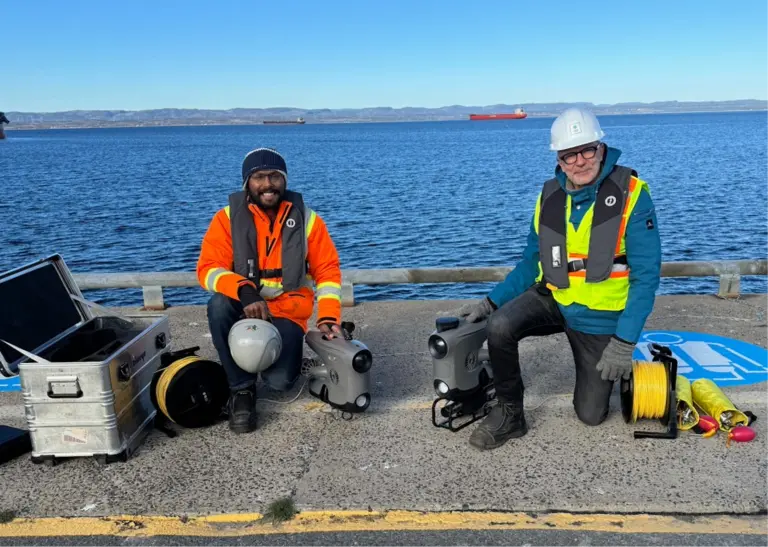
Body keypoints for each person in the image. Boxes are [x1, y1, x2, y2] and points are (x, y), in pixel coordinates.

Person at [458, 107, 662, 450]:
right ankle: (511, 415)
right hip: (555, 298)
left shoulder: (633, 194)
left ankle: (626, 367)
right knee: (499, 325)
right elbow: (530, 263)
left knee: (591, 415)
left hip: (599, 319)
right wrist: (491, 302)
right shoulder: (548, 196)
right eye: (569, 154)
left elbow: (646, 277)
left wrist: (624, 342)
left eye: (587, 150)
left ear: (601, 148)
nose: (580, 161)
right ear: (559, 157)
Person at [196, 147, 344, 433]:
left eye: (275, 176)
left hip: (288, 311)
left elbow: (327, 270)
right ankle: (241, 390)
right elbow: (208, 269)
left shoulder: (308, 220)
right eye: (259, 177)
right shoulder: (226, 219)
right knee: (217, 305)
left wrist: (327, 318)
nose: (268, 184)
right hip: (245, 306)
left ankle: (275, 360)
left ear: (284, 180)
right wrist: (244, 291)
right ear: (247, 183)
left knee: (280, 383)